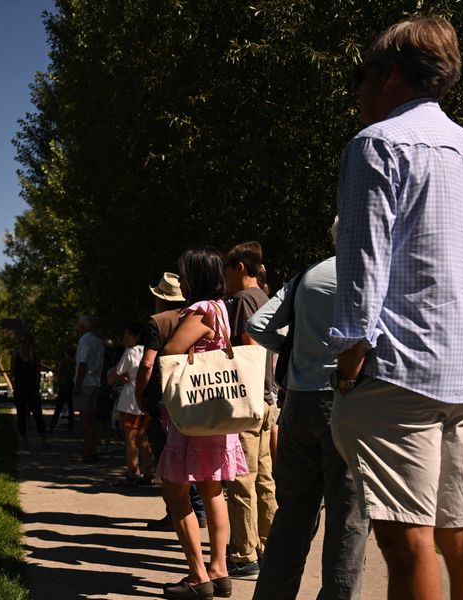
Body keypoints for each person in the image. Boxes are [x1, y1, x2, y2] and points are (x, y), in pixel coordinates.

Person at [329, 16, 463, 600]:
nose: (358, 91)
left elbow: (362, 263)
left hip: (397, 371)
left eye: (363, 76)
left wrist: (350, 354)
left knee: (408, 546)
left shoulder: (376, 145)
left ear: (392, 74)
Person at [246, 219, 369, 600]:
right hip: (346, 400)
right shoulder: (370, 275)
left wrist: (295, 350)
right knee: (348, 518)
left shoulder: (307, 276)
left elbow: (258, 323)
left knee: (292, 514)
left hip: (298, 402)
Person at [156, 249, 248, 600]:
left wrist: (177, 342)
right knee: (213, 491)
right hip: (216, 413)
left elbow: (172, 351)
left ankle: (198, 576)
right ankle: (219, 570)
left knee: (175, 493)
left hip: (194, 414)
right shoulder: (222, 308)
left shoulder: (200, 309)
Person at [221, 241, 276, 580]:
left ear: (240, 267)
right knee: (266, 479)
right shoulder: (267, 299)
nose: (225, 279)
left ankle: (244, 555)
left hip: (250, 401)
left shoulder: (242, 301)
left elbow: (250, 349)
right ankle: (271, 546)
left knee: (242, 480)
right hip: (270, 399)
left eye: (227, 271)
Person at [136, 273, 206, 531]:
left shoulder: (157, 322)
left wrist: (139, 392)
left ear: (160, 299)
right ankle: (197, 509)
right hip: (192, 394)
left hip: (163, 396)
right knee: (192, 454)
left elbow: (147, 363)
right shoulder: (196, 316)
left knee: (167, 455)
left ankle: (177, 510)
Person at [108, 322, 150, 486]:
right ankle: (148, 472)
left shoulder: (130, 352)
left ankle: (133, 473)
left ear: (135, 336)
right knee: (143, 438)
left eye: (128, 333)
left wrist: (120, 376)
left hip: (130, 400)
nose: (125, 337)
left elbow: (117, 372)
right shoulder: (148, 351)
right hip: (145, 400)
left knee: (131, 439)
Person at [73, 315, 105, 462]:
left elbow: (83, 363)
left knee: (85, 419)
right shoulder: (99, 341)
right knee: (93, 419)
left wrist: (78, 384)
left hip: (85, 382)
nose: (76, 327)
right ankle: (93, 448)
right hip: (96, 382)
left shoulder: (84, 341)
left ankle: (88, 450)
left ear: (83, 327)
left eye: (78, 325)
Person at [11, 333, 48, 446]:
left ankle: (43, 438)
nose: (23, 344)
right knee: (21, 414)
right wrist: (15, 387)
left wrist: (37, 386)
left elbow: (37, 373)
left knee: (38, 414)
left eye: (25, 342)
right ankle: (23, 437)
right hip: (20, 388)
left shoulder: (35, 356)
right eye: (20, 342)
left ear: (29, 343)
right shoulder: (15, 355)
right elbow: (12, 372)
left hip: (32, 388)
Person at [50, 346, 77, 432]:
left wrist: (58, 384)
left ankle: (52, 425)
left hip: (63, 386)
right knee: (71, 407)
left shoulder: (63, 362)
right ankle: (70, 426)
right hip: (71, 386)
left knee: (59, 407)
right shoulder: (75, 363)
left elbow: (59, 374)